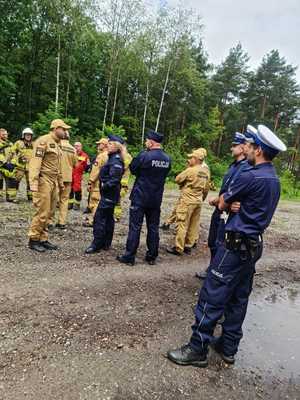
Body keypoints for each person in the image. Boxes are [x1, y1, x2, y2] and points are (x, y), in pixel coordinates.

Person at [167, 125, 286, 368]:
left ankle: (197, 348)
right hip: (253, 246)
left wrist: (222, 201)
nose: (248, 150)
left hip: (234, 246)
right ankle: (228, 346)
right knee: (239, 297)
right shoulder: (274, 179)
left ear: (259, 150)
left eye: (252, 147)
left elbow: (222, 203)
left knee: (212, 294)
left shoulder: (250, 176)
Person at [196, 132, 249, 280]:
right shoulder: (234, 165)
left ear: (243, 147)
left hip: (228, 212)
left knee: (221, 242)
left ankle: (216, 272)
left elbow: (237, 191)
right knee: (213, 240)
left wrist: (218, 200)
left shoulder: (244, 168)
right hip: (220, 210)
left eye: (234, 145)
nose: (231, 148)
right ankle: (213, 267)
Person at [117, 130, 171, 266]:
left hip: (140, 197)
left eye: (147, 141)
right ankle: (152, 256)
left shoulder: (144, 155)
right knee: (153, 227)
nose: (145, 143)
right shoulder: (167, 158)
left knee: (135, 226)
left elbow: (133, 169)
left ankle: (129, 256)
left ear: (151, 142)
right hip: (156, 198)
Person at [28, 119, 70, 252]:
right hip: (43, 180)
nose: (65, 132)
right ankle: (33, 239)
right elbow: (35, 163)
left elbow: (56, 167)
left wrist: (61, 182)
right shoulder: (43, 141)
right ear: (55, 128)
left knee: (50, 212)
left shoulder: (57, 144)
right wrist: (33, 183)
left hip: (53, 181)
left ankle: (43, 238)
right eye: (63, 129)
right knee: (42, 211)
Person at [85, 135, 125, 254]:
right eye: (108, 143)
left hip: (109, 194)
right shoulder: (112, 157)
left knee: (99, 218)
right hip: (110, 194)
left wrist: (104, 186)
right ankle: (106, 243)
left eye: (111, 144)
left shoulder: (116, 160)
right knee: (108, 218)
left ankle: (96, 244)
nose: (108, 145)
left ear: (117, 147)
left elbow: (114, 179)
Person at [166, 148, 210, 256]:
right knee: (193, 225)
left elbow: (177, 179)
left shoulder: (191, 170)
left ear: (196, 159)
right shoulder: (206, 171)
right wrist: (202, 198)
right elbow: (206, 188)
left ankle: (178, 248)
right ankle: (188, 246)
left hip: (187, 201)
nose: (190, 159)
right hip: (198, 201)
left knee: (182, 224)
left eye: (191, 158)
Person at [49, 130, 77, 229]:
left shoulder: (57, 146)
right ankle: (62, 222)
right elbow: (75, 164)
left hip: (56, 176)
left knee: (53, 199)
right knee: (64, 200)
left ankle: (50, 221)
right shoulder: (73, 149)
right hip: (68, 178)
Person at [83, 138, 109, 227]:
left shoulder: (101, 156)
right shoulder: (111, 155)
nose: (98, 145)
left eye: (100, 144)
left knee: (95, 202)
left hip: (98, 182)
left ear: (105, 145)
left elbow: (95, 170)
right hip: (107, 182)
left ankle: (93, 220)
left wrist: (90, 182)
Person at [8, 127, 34, 201]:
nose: (28, 136)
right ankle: (12, 197)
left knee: (30, 182)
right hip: (20, 166)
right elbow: (11, 151)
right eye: (27, 135)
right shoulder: (18, 143)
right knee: (16, 181)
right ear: (23, 135)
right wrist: (9, 161)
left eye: (30, 135)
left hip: (30, 167)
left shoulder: (34, 144)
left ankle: (30, 196)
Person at [114, 142, 132, 221]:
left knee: (117, 200)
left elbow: (124, 166)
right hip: (117, 181)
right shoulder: (120, 155)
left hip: (122, 183)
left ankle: (117, 216)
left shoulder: (127, 156)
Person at [69, 142, 89, 210]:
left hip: (78, 175)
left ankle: (77, 204)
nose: (76, 147)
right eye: (74, 146)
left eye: (77, 146)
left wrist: (84, 171)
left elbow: (87, 166)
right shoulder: (71, 154)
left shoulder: (84, 155)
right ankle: (70, 204)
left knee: (77, 189)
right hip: (70, 174)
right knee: (70, 189)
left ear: (81, 147)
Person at [0, 128, 16, 202]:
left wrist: (13, 163)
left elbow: (14, 154)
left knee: (11, 181)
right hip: (1, 165)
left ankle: (10, 198)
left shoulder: (10, 144)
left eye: (6, 134)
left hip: (9, 166)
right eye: (4, 134)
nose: (5, 136)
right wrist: (5, 163)